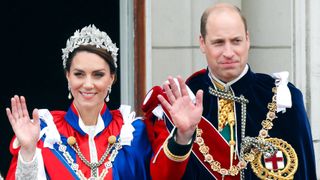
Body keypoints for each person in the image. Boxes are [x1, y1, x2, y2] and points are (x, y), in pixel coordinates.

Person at [142, 3, 317, 180]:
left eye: (236, 41)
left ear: (247, 39)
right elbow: (162, 176)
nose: (228, 52)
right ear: (202, 43)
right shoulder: (183, 99)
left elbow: (305, 171)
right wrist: (182, 136)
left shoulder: (282, 99)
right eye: (218, 43)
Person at [6, 24, 151, 179]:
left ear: (112, 78)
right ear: (68, 76)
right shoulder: (44, 133)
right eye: (79, 74)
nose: (88, 84)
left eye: (98, 75)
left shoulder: (132, 133)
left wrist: (180, 135)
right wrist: (28, 151)